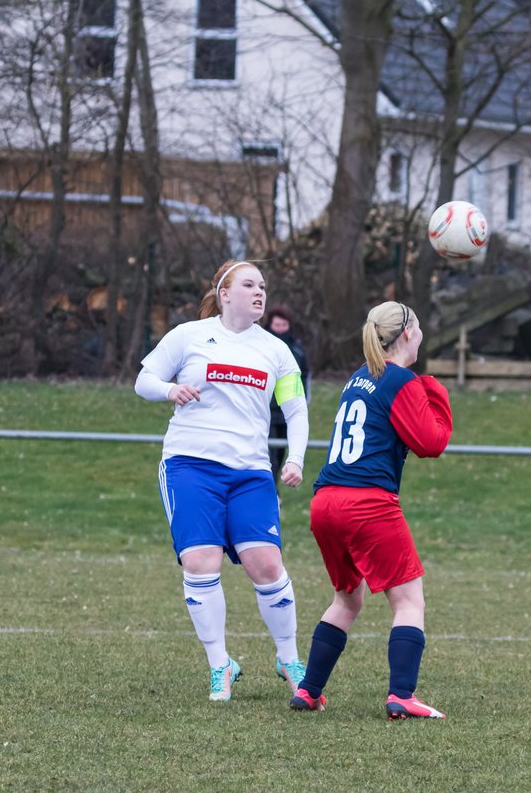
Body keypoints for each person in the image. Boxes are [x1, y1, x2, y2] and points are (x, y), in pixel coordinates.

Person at [134, 259, 311, 703]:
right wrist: (170, 390)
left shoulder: (275, 350)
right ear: (224, 292)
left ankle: (289, 658)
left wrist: (295, 458)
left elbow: (295, 409)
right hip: (190, 466)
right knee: (200, 563)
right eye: (249, 284)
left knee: (267, 565)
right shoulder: (189, 336)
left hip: (250, 472)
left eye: (263, 286)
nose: (259, 292)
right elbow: (144, 379)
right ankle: (220, 665)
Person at [290, 301, 453, 720]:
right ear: (407, 334)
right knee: (408, 601)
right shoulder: (401, 380)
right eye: (418, 325)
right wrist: (433, 389)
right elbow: (431, 443)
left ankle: (308, 690)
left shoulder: (360, 377)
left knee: (347, 598)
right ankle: (401, 694)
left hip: (326, 502)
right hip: (366, 503)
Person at [263, 305, 310, 486]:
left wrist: (303, 399)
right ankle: (272, 489)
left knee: (281, 454)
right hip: (267, 410)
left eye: (284, 325)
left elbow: (304, 374)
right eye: (277, 324)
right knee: (270, 456)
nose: (281, 328)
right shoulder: (262, 346)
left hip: (287, 410)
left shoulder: (296, 349)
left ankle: (275, 486)